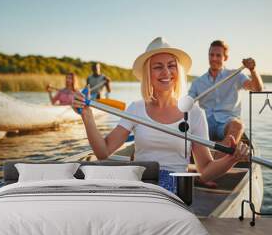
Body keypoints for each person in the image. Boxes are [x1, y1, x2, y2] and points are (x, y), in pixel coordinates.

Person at [72, 37, 249, 192]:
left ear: (178, 71)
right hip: (140, 183)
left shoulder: (194, 113)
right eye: (158, 67)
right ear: (148, 73)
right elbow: (103, 152)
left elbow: (206, 170)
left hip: (173, 187)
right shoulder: (136, 109)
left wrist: (231, 160)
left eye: (171, 66)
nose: (166, 72)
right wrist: (87, 116)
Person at [189, 40, 263, 152]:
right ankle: (217, 151)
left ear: (225, 58)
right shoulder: (197, 82)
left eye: (218, 55)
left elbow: (257, 89)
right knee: (187, 125)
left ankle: (216, 154)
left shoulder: (236, 75)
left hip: (227, 122)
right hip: (205, 121)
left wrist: (252, 70)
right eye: (211, 55)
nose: (214, 58)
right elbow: (188, 102)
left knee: (238, 126)